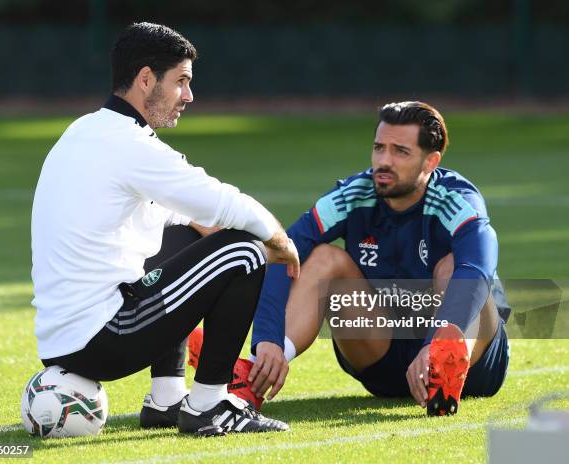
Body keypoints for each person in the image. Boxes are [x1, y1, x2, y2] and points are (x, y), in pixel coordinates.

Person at [30, 22, 299, 435]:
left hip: (62, 341)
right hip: (102, 337)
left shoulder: (85, 130)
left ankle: (167, 400)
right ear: (145, 79)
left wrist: (192, 221)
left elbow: (161, 213)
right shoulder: (131, 144)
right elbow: (225, 202)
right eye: (181, 82)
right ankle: (209, 405)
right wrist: (281, 243)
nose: (188, 96)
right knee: (244, 250)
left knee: (188, 234)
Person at [190, 101, 511, 416]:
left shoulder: (456, 200)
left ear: (430, 162)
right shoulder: (354, 194)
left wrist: (436, 342)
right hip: (380, 355)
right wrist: (267, 340)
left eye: (401, 152)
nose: (384, 161)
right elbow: (281, 252)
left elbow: (478, 266)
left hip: (474, 366)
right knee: (324, 258)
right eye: (379, 148)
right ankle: (257, 373)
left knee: (456, 266)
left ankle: (445, 365)